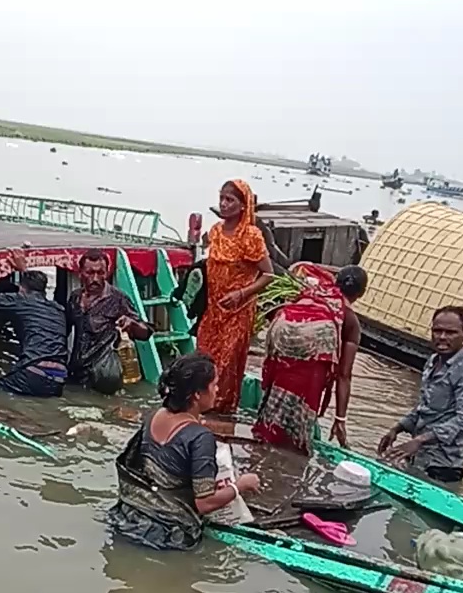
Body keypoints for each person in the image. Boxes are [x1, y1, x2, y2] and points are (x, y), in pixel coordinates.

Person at [106, 352, 262, 550]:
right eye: (214, 384)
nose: (217, 390)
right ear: (197, 394)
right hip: (168, 534)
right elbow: (204, 503)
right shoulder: (200, 438)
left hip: (128, 517)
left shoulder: (155, 416)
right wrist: (240, 485)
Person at [253, 264, 368, 452]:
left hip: (281, 333)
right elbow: (344, 375)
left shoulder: (313, 292)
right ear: (361, 293)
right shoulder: (350, 319)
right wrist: (340, 419)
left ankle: (264, 442)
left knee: (278, 394)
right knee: (302, 407)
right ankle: (290, 452)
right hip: (314, 351)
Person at [377, 306, 463, 483]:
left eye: (450, 332)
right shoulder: (433, 361)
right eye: (437, 331)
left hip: (444, 465)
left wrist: (420, 440)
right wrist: (397, 428)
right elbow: (424, 407)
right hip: (420, 457)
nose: (442, 337)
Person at [197, 180, 274, 413]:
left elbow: (268, 274)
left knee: (227, 363)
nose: (223, 203)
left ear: (243, 206)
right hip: (213, 309)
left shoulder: (251, 236)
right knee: (205, 359)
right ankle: (201, 407)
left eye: (230, 200)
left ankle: (222, 411)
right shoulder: (216, 231)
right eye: (222, 197)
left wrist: (241, 293)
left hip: (238, 311)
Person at [0, 248, 68, 397]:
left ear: (21, 289)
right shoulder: (58, 309)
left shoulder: (20, 300)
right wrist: (23, 269)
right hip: (59, 379)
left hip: (32, 373)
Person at [65, 249, 155, 394]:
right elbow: (65, 329)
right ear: (80, 273)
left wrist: (131, 323)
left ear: (107, 273)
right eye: (90, 273)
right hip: (77, 371)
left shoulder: (118, 299)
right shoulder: (75, 297)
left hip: (104, 374)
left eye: (100, 273)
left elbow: (146, 333)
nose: (95, 279)